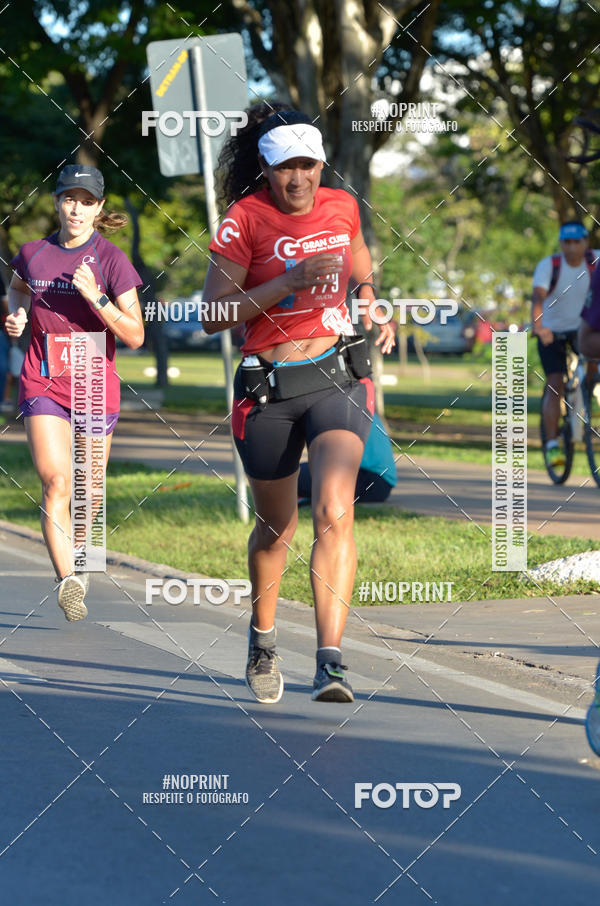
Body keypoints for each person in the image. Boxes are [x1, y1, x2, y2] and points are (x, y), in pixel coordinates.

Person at [203, 104, 395, 704]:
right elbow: (213, 314)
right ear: (266, 168)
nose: (299, 178)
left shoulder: (341, 206)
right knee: (275, 530)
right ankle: (262, 643)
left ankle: (330, 662)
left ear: (321, 165)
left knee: (335, 509)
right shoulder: (244, 220)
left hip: (337, 377)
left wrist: (370, 299)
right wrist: (287, 281)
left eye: (309, 165)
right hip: (269, 391)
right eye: (286, 167)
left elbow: (359, 259)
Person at [5, 164, 144, 621]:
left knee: (88, 494)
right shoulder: (33, 254)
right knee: (57, 482)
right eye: (69, 198)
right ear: (56, 202)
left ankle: (81, 560)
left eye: (87, 201)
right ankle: (67, 580)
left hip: (92, 382)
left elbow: (135, 335)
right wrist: (18, 315)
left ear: (99, 207)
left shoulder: (111, 260)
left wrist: (97, 298)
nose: (77, 209)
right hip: (43, 378)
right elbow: (17, 289)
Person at [531, 221, 599, 470]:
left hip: (583, 330)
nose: (571, 247)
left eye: (576, 242)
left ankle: (586, 399)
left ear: (586, 243)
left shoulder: (596, 261)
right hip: (552, 331)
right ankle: (552, 445)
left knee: (592, 372)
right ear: (561, 243)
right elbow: (538, 297)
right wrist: (539, 327)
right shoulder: (549, 265)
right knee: (555, 382)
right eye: (566, 242)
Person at [298, 411, 397, 504]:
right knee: (299, 474)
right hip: (380, 483)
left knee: (292, 475)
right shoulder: (357, 405)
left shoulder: (342, 410)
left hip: (370, 479)